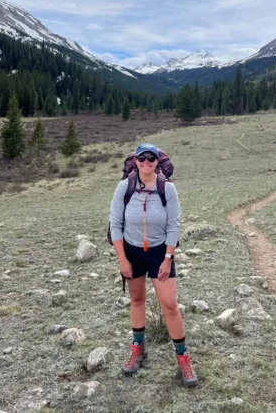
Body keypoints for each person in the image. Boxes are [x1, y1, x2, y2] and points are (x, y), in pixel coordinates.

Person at [109, 143, 198, 386]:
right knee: (137, 300)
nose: (146, 162)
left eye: (151, 158)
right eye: (142, 158)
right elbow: (115, 224)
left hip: (160, 252)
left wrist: (168, 259)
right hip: (132, 252)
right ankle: (139, 350)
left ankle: (183, 359)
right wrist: (122, 259)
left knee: (170, 305)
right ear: (135, 161)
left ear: (158, 161)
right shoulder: (124, 187)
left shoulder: (166, 188)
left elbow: (173, 225)